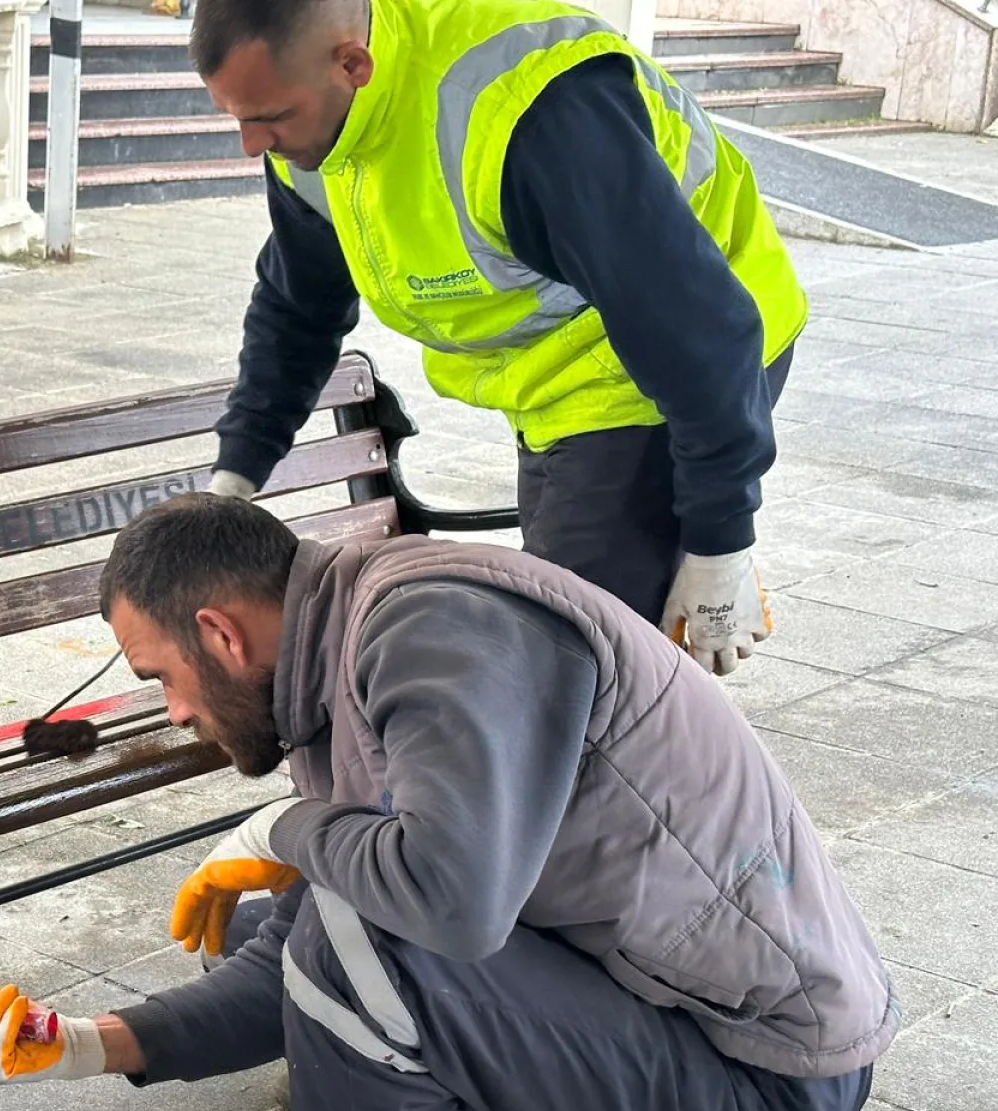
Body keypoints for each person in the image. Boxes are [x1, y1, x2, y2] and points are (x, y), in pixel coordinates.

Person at [0, 497, 894, 1111]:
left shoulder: (430, 630)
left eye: (159, 677)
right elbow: (298, 959)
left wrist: (284, 825)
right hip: (720, 1036)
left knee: (373, 926)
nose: (175, 712)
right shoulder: (353, 654)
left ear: (219, 634)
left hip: (765, 1085)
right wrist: (87, 1046)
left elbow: (436, 912)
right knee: (353, 923)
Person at [194, 0, 804, 676]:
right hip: (555, 381)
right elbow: (297, 307)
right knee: (596, 637)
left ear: (352, 64)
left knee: (574, 662)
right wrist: (236, 474)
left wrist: (719, 541)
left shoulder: (524, 111)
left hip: (667, 365)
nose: (252, 144)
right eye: (237, 118)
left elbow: (698, 334)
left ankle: (654, 762)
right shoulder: (308, 136)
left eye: (269, 118)